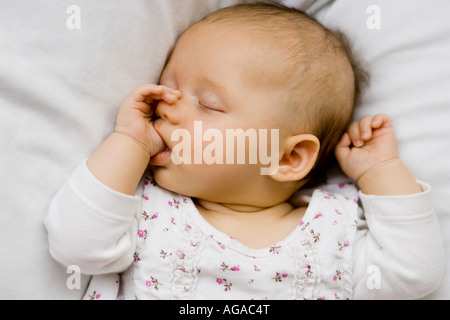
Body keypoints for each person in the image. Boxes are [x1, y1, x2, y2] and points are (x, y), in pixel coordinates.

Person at [45, 3, 444, 300]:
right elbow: (77, 246)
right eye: (169, 87)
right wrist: (128, 143)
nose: (167, 105)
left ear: (288, 158)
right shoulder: (145, 206)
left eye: (208, 104)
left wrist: (381, 171)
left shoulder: (334, 231)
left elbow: (414, 278)